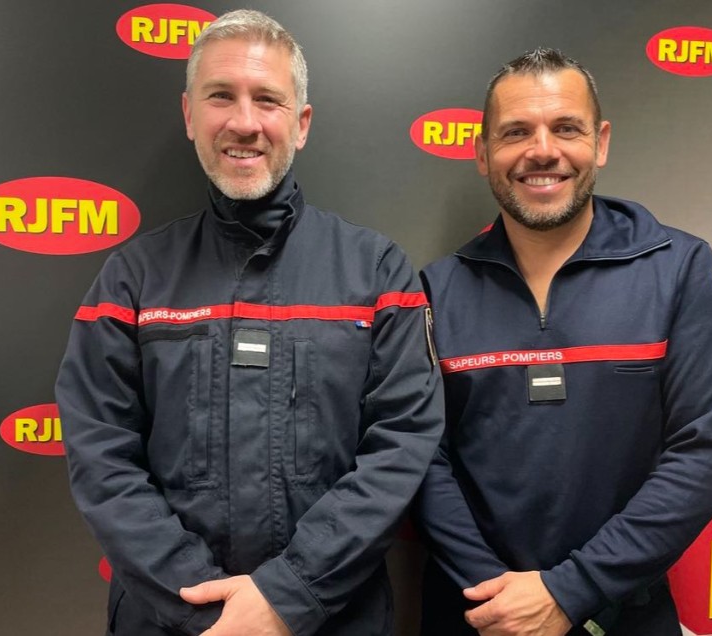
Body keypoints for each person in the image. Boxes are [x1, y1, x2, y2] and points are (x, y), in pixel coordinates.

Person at [55, 9, 443, 636]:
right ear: (189, 115)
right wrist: (206, 610)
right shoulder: (133, 278)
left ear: (302, 123)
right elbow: (101, 455)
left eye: (267, 99)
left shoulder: (377, 273)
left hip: (333, 619)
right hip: (168, 622)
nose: (244, 122)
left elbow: (402, 444)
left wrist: (288, 596)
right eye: (220, 96)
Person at [415, 48, 712, 636]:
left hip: (625, 616)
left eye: (566, 128)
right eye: (516, 131)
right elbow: (419, 458)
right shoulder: (436, 291)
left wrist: (570, 592)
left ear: (601, 142)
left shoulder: (680, 270)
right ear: (482, 153)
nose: (543, 150)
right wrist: (500, 601)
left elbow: (706, 456)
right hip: (478, 615)